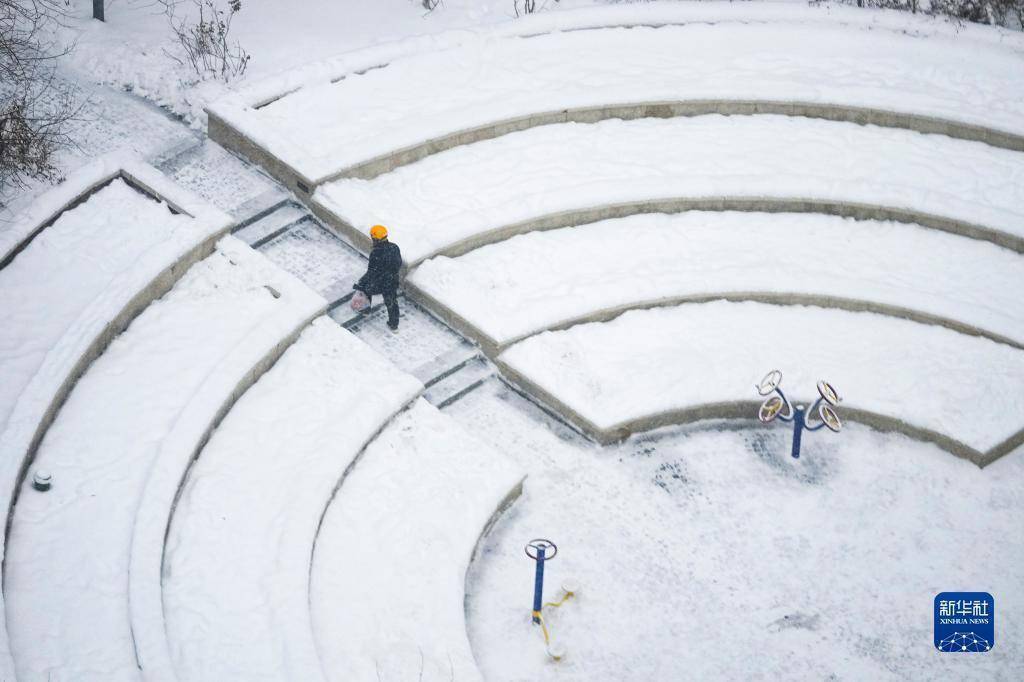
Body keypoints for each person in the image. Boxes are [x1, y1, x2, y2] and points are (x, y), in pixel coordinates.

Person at [354, 224, 402, 331]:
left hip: (381, 284)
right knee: (392, 302)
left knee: (365, 288)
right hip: (392, 282)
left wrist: (361, 283)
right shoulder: (394, 247)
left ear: (375, 238)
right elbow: (398, 264)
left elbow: (371, 272)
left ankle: (365, 310)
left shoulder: (376, 253)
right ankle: (394, 324)